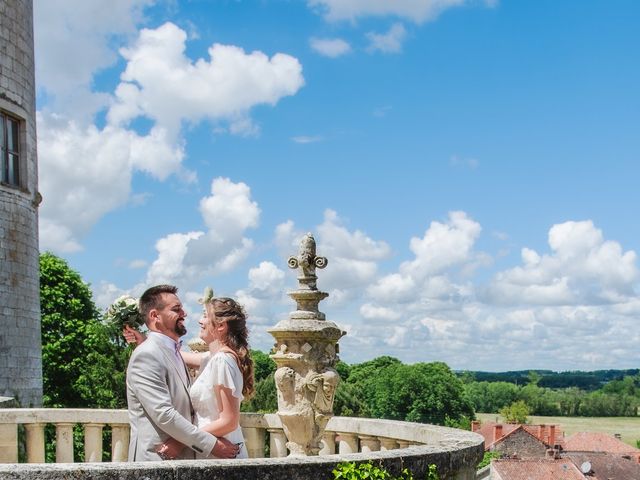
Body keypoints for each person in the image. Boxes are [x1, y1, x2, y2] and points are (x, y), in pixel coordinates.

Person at [125, 284, 240, 461]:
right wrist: (212, 445)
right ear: (155, 315)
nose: (184, 314)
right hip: (158, 458)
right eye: (176, 309)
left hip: (184, 459)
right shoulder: (146, 355)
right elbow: (164, 414)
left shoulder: (174, 352)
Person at [156, 294, 255, 459]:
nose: (200, 321)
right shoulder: (212, 358)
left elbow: (229, 421)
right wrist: (144, 339)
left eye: (205, 316)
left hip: (222, 451)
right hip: (209, 448)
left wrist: (181, 441)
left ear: (221, 326)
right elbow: (176, 355)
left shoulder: (222, 361)